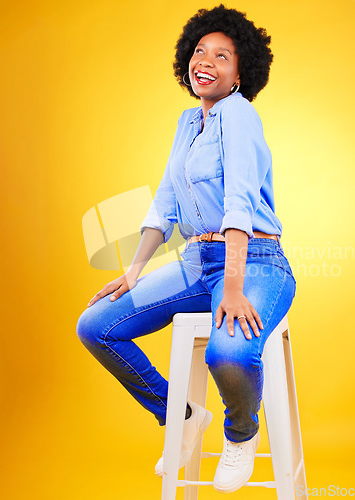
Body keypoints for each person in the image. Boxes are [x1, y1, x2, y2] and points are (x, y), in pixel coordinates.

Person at [76, 4, 296, 494]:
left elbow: (239, 201)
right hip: (197, 264)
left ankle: (241, 434)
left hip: (255, 261)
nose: (207, 62)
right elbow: (165, 202)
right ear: (186, 59)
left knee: (229, 354)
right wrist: (133, 272)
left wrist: (234, 286)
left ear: (241, 73)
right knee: (96, 326)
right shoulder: (187, 122)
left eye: (223, 56)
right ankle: (182, 413)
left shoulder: (239, 115)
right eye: (200, 52)